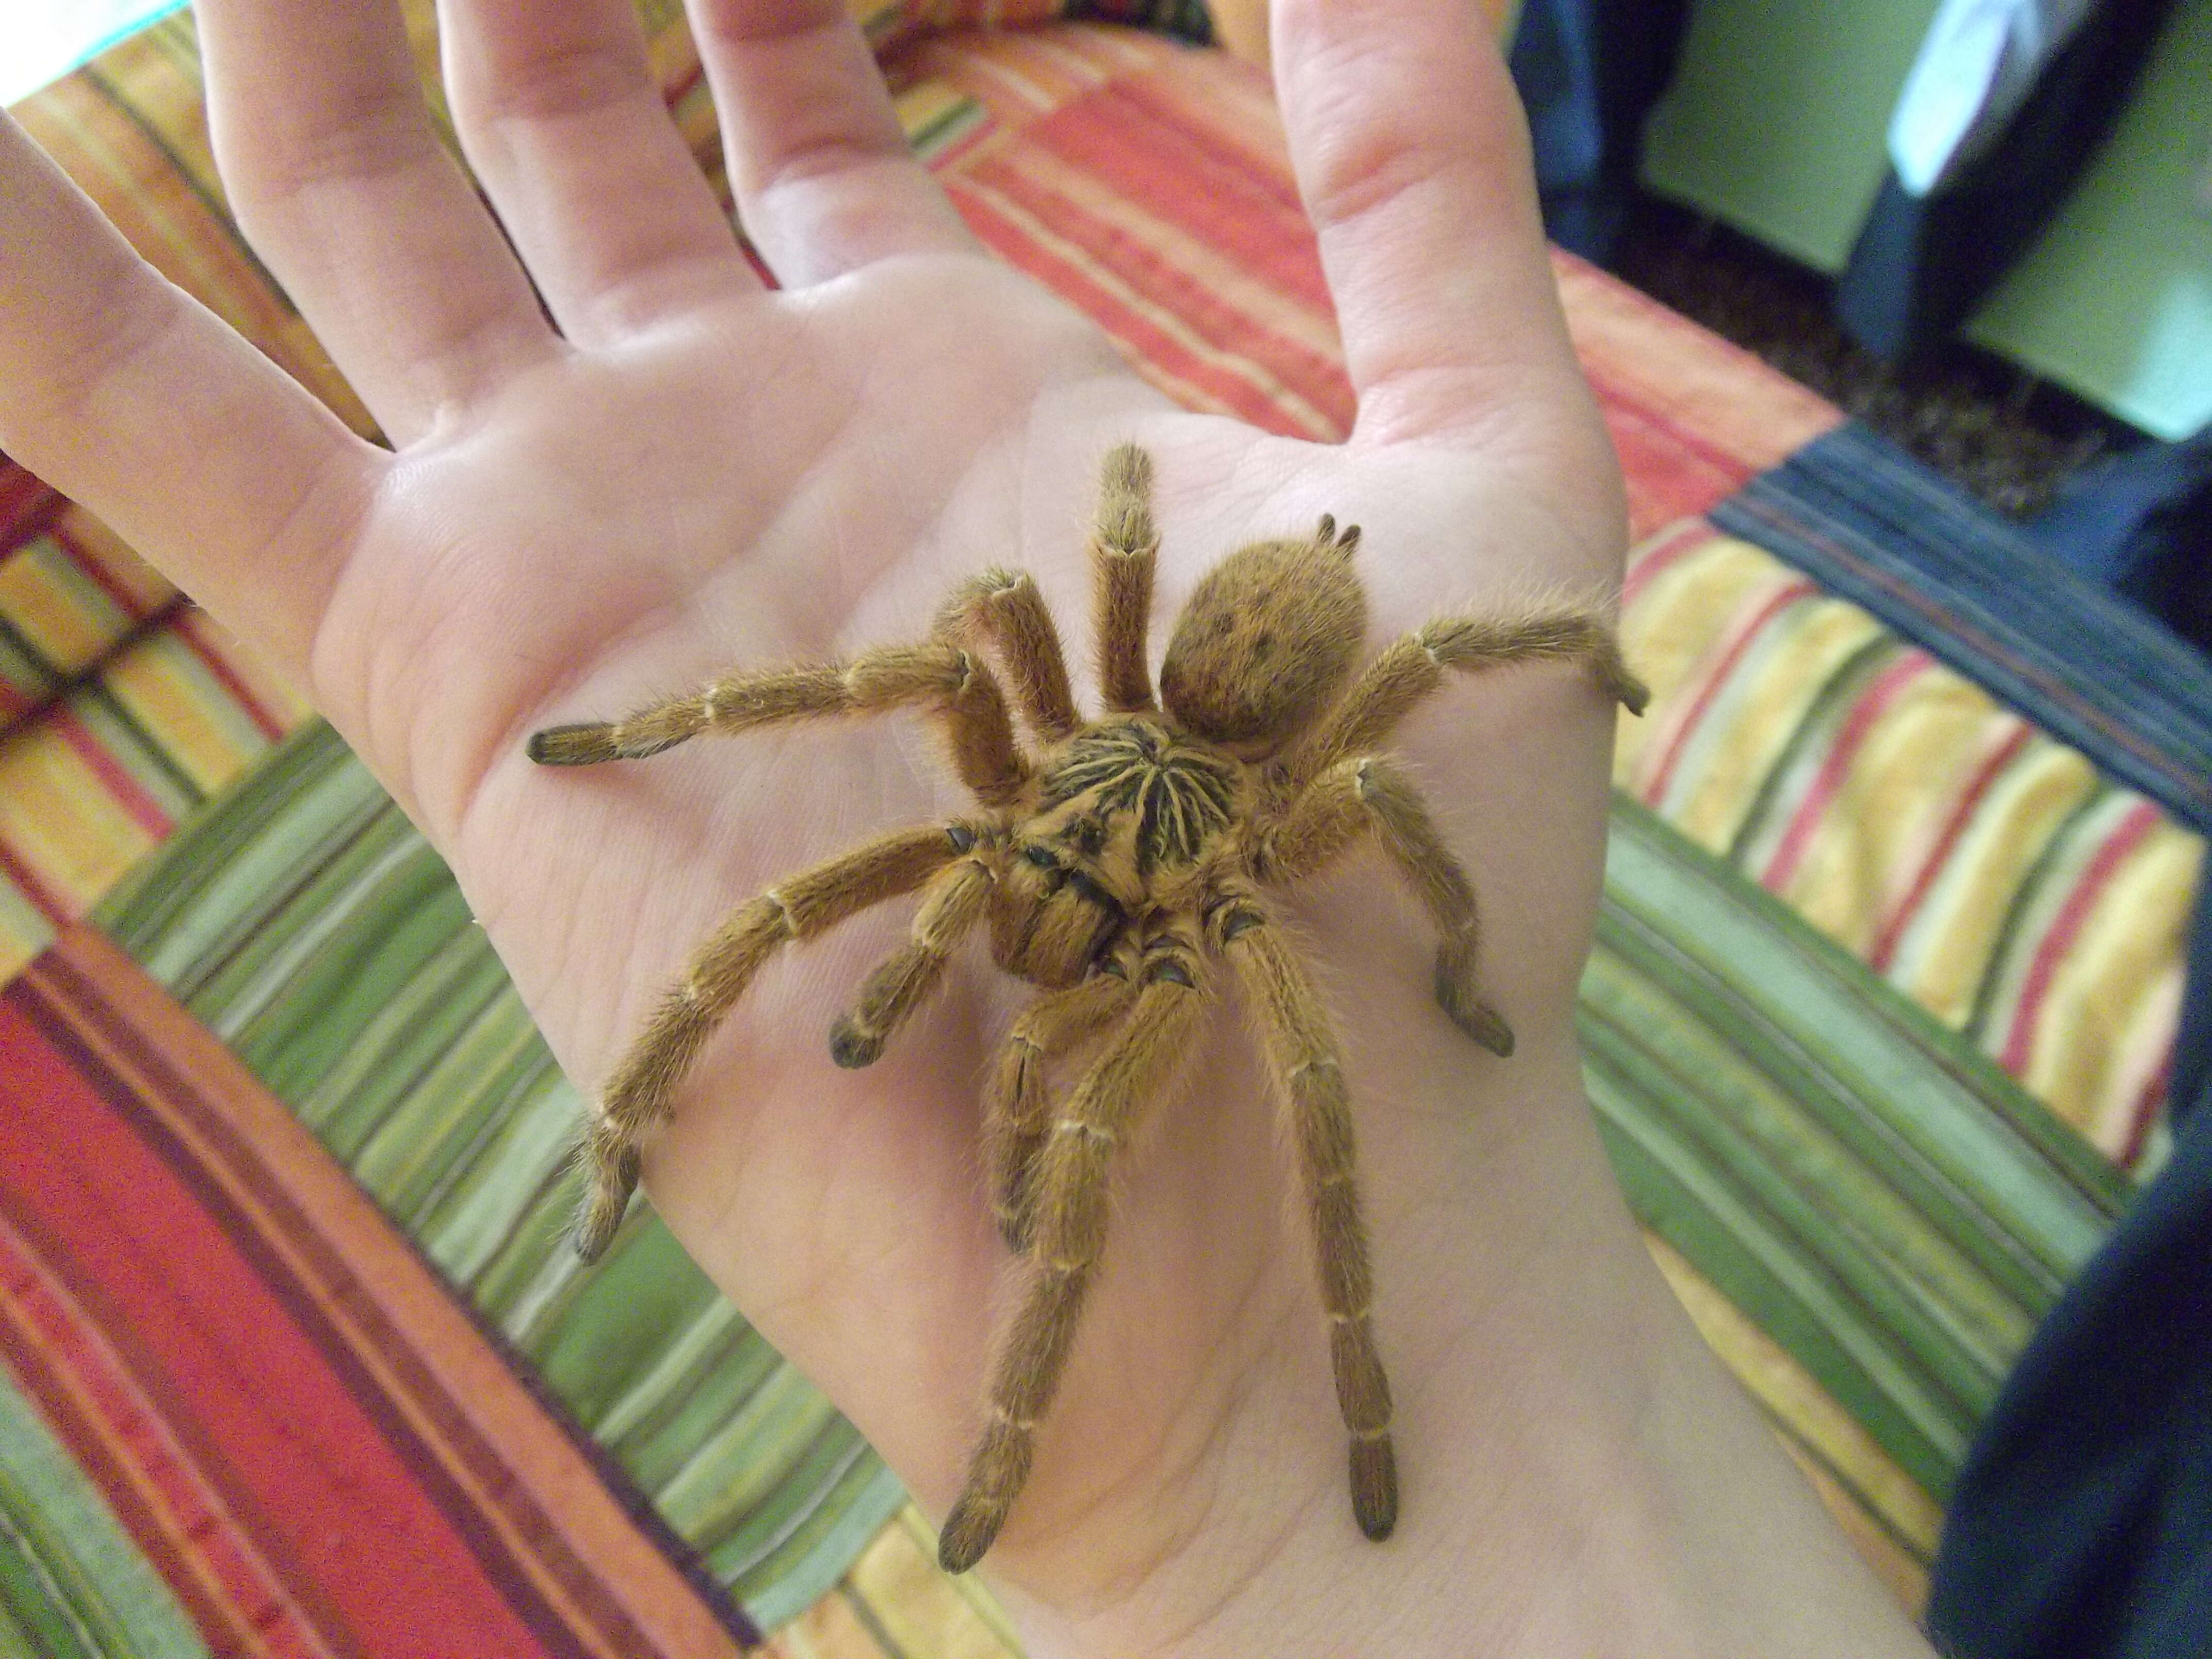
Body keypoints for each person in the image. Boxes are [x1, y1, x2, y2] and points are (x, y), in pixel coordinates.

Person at [0, 0, 1942, 1652]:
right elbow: (922, 681)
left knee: (1187, 1108)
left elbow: (1322, 1016)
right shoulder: (1021, 749)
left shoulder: (1272, 865)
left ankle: (1210, 1414)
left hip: (1215, 763)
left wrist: (1450, 952)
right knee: (833, 852)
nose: (1026, 932)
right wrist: (667, 731)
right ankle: (630, 1143)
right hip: (1092, 760)